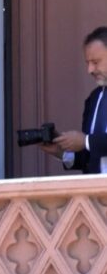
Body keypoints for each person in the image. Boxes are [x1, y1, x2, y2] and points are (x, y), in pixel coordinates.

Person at [41, 26, 107, 173]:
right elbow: (90, 158)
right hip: (94, 194)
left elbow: (88, 143)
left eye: (95, 62)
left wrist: (85, 141)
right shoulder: (93, 99)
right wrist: (61, 151)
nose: (89, 70)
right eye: (87, 63)